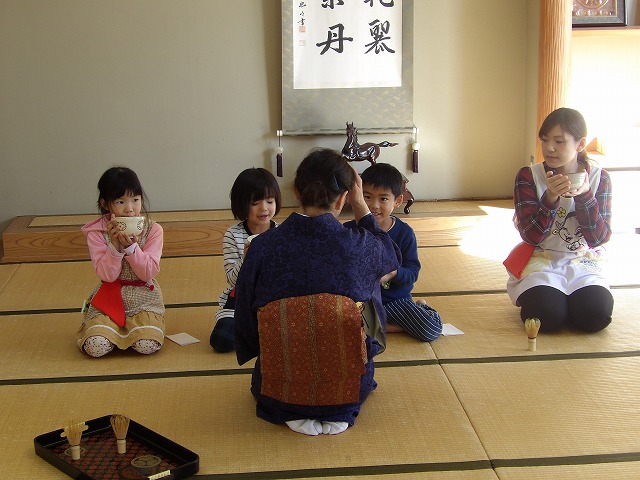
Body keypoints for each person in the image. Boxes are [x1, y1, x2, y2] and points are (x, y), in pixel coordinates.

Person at [234, 148, 401, 436]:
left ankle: (293, 406)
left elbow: (245, 317)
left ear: (296, 192)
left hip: (278, 389)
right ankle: (333, 406)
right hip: (348, 390)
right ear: (343, 198)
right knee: (369, 284)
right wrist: (360, 205)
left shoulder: (262, 246)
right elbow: (391, 257)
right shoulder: (362, 244)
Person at [505, 107, 613, 332]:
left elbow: (599, 238)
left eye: (559, 141)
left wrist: (585, 196)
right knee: (546, 316)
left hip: (583, 259)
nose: (549, 148)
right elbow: (531, 236)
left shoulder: (599, 178)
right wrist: (550, 198)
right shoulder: (529, 176)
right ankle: (557, 302)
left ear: (580, 144)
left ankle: (575, 303)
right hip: (541, 258)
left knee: (595, 315)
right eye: (545, 140)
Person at [344, 163, 442, 342]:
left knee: (430, 329)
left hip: (394, 301)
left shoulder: (404, 233)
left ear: (397, 201)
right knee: (333, 324)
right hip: (361, 302)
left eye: (383, 199)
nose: (374, 205)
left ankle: (418, 309)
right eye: (367, 197)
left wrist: (393, 274)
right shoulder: (349, 230)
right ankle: (387, 326)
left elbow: (412, 272)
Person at [78, 166, 165, 357]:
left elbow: (148, 273)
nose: (130, 209)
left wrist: (132, 248)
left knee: (147, 344)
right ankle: (109, 334)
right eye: (120, 201)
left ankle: (128, 335)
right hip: (110, 296)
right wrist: (115, 246)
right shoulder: (97, 233)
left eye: (135, 200)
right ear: (105, 204)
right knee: (96, 346)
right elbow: (107, 276)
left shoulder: (153, 230)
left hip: (144, 296)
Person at [210, 168, 281, 352]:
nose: (264, 208)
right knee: (221, 340)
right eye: (255, 203)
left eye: (270, 201)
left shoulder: (281, 233)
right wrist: (247, 258)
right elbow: (232, 280)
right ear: (242, 205)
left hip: (273, 298)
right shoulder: (233, 235)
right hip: (240, 299)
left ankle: (256, 330)